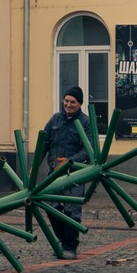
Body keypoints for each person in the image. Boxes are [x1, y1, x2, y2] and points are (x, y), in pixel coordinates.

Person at [41, 86, 95, 258]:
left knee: (72, 210)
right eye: (66, 101)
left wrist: (70, 161)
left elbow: (89, 149)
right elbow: (44, 142)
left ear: (80, 104)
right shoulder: (55, 120)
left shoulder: (86, 123)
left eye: (73, 102)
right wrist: (35, 165)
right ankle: (63, 240)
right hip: (55, 173)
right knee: (51, 207)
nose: (68, 104)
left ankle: (70, 247)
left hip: (76, 173)